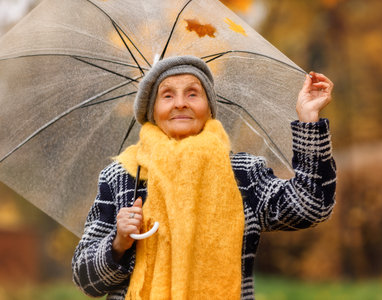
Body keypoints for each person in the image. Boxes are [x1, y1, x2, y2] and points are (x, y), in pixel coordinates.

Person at [72, 55, 336, 300]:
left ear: (209, 106)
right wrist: (118, 243)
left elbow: (311, 205)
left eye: (192, 93)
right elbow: (85, 279)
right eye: (167, 95)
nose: (180, 103)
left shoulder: (243, 173)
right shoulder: (122, 177)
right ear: (151, 111)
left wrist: (309, 119)